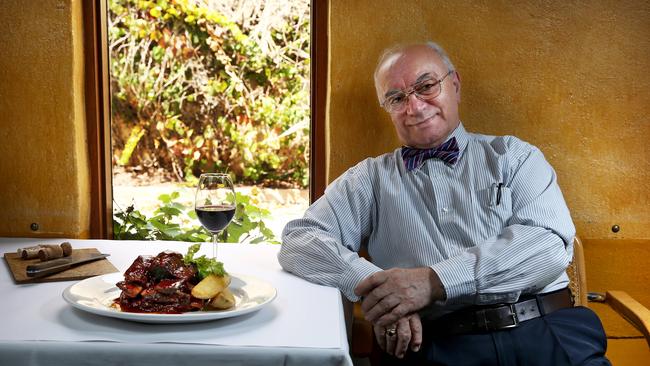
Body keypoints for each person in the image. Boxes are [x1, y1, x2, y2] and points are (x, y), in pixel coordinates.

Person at [278, 41, 609, 365]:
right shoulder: (369, 179)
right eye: (397, 98)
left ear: (455, 84)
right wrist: (379, 291)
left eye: (426, 86)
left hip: (547, 330)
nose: (415, 107)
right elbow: (300, 240)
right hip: (437, 345)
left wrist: (432, 282)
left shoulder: (515, 157)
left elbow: (547, 247)